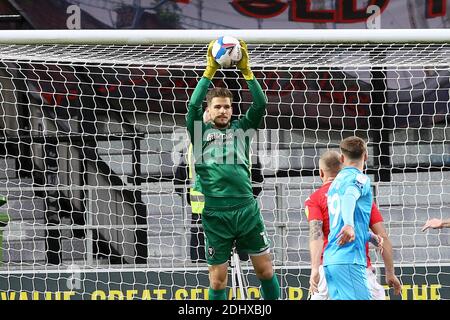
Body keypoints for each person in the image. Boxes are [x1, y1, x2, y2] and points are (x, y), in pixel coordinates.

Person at [185, 39, 279, 300]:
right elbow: (192, 107)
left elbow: (260, 104)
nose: (223, 110)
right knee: (218, 281)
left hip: (246, 208)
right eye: (218, 106)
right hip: (215, 212)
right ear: (209, 109)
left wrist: (247, 71)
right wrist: (209, 71)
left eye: (227, 106)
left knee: (265, 270)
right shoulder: (199, 131)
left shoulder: (242, 129)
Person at [305, 150, 401, 300]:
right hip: (358, 265)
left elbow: (316, 235)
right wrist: (390, 271)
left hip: (328, 267)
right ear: (343, 167)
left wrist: (314, 268)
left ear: (321, 173)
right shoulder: (359, 193)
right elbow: (382, 236)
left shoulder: (314, 199)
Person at [322, 136, 382, 300]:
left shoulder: (335, 183)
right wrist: (349, 225)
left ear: (342, 158)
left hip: (331, 260)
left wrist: (368, 236)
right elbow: (349, 197)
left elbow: (339, 218)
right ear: (366, 156)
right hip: (349, 258)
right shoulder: (360, 178)